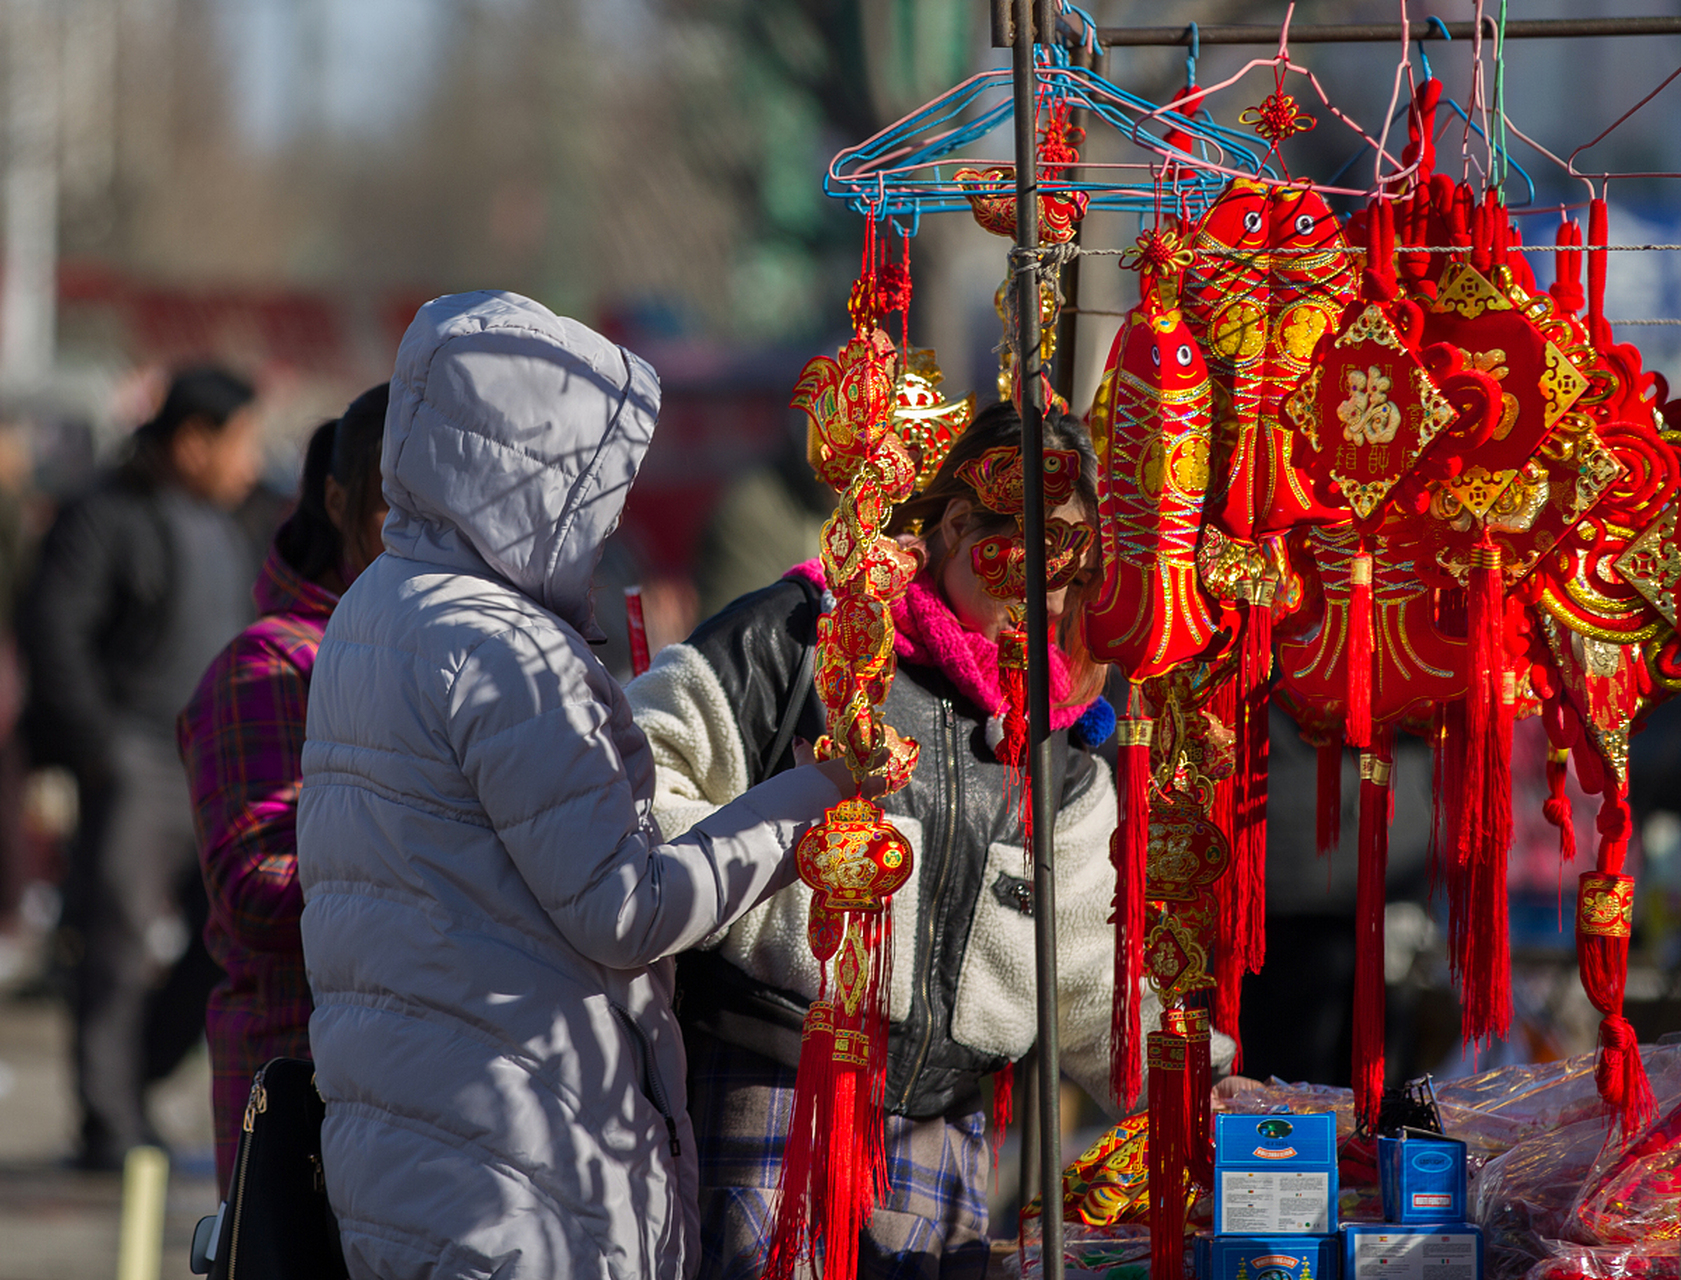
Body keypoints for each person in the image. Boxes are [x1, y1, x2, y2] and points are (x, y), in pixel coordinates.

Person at [296, 291, 864, 1280]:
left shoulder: (375, 605)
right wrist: (809, 798)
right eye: (596, 486)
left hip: (413, 1148)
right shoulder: (505, 645)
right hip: (527, 1163)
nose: (608, 518)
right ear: (534, 475)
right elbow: (625, 908)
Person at [629, 401, 1234, 1279]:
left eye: (1079, 567)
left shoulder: (1057, 739)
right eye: (1035, 556)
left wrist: (1203, 1087)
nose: (1055, 593)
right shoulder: (804, 640)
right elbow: (638, 785)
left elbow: (1088, 978)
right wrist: (763, 889)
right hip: (771, 1096)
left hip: (941, 1133)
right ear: (954, 524)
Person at [19, 366, 263, 1170]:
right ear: (193, 442)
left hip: (210, 764)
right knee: (116, 945)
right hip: (132, 760)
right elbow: (53, 630)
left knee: (218, 936)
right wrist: (97, 747)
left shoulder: (227, 526)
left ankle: (134, 1087)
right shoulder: (103, 517)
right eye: (241, 442)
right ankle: (109, 1124)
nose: (249, 462)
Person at [176, 383, 389, 1194]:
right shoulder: (270, 667)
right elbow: (260, 897)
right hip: (300, 1091)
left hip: (417, 1090)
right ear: (337, 503)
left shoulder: (455, 661)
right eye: (393, 510)